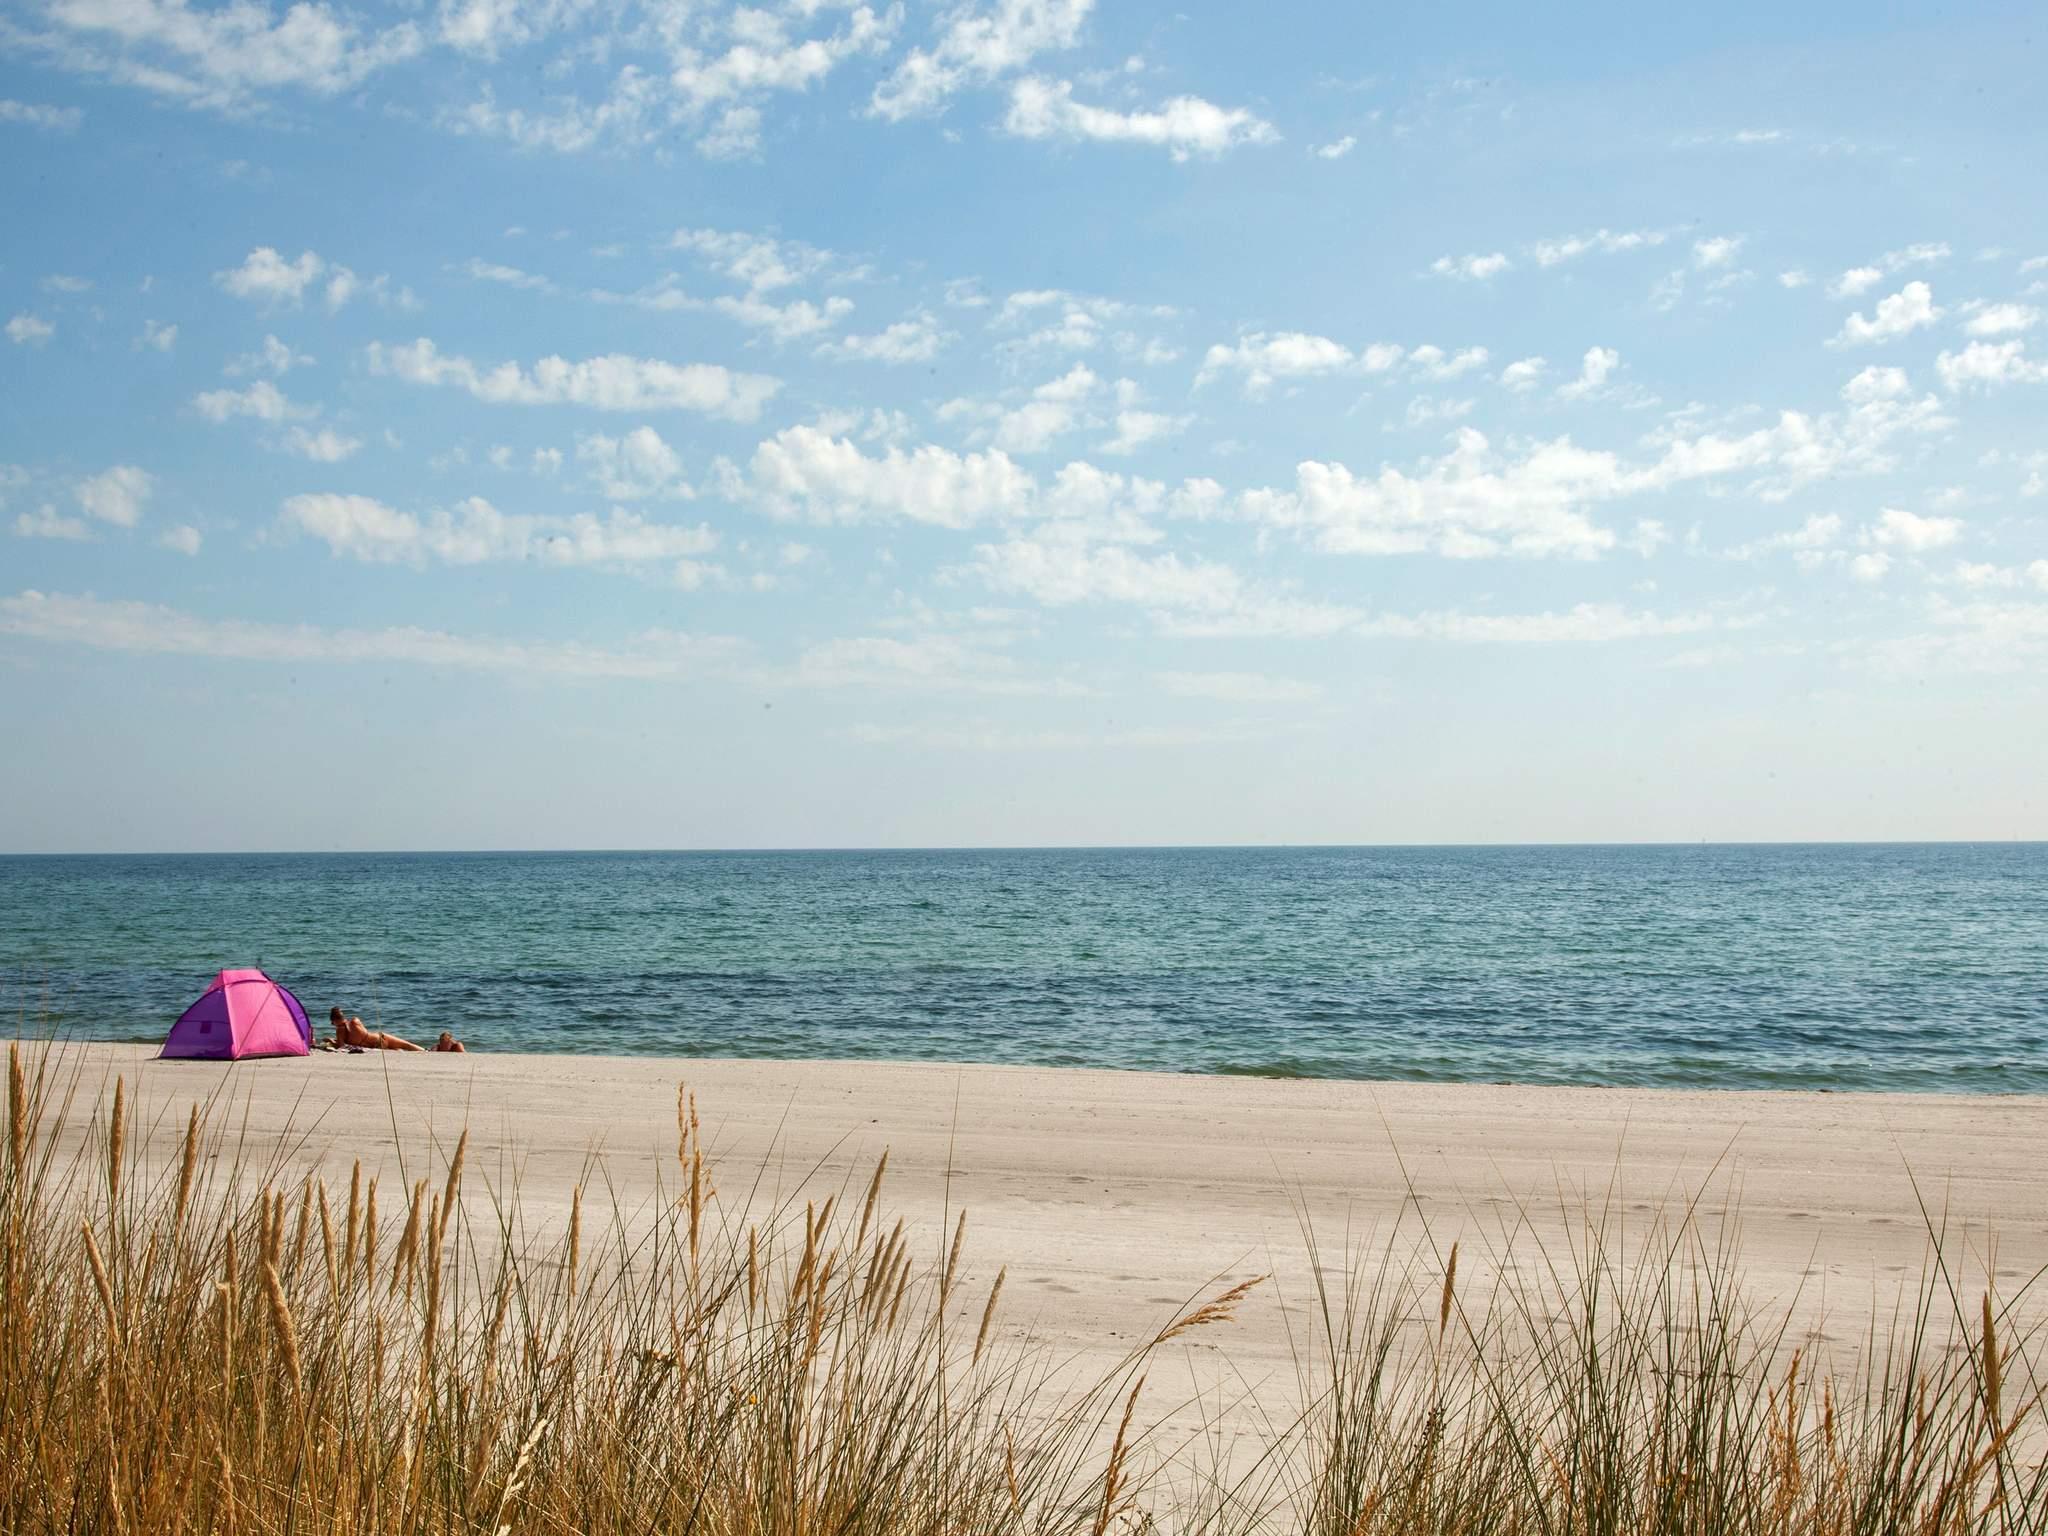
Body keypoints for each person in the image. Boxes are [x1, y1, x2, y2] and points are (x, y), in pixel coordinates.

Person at [327, 1005, 424, 1052]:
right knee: (407, 1045)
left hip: (376, 1046)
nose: (333, 1025)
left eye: (332, 1023)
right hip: (380, 1038)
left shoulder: (340, 1030)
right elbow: (355, 1034)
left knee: (399, 1049)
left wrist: (331, 1041)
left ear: (334, 1020)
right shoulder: (355, 1020)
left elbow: (342, 1046)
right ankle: (425, 1051)